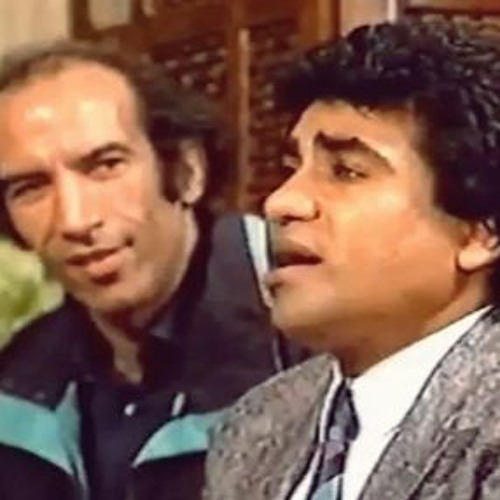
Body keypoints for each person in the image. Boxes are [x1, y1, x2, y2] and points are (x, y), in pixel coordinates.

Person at [204, 18, 500, 500]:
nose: (281, 202)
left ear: (482, 232)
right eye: (291, 168)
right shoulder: (257, 424)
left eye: (345, 172)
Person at [0, 40, 301, 500]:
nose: (74, 220)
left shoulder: (310, 330)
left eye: (105, 166)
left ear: (187, 170)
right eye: (30, 188)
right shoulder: (20, 382)